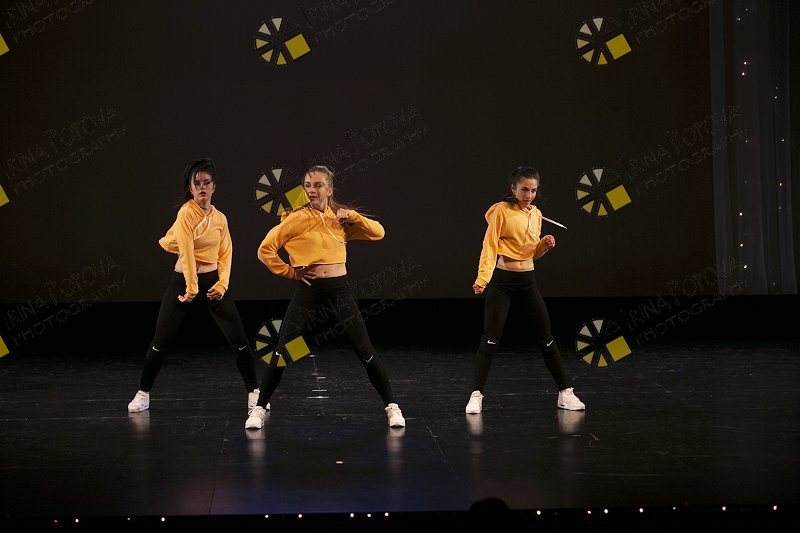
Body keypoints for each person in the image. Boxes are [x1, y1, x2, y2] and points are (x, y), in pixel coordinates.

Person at [245, 165, 405, 430]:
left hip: (339, 291)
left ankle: (392, 407)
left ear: (329, 189)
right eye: (308, 186)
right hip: (309, 292)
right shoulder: (296, 219)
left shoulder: (339, 219)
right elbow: (265, 250)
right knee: (283, 351)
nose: (312, 190)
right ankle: (259, 409)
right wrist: (290, 272)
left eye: (318, 185)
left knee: (364, 350)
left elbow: (379, 232)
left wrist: (353, 216)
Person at [127, 158, 262, 415]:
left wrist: (222, 284)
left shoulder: (220, 218)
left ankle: (254, 392)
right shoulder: (186, 213)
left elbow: (226, 254)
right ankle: (143, 393)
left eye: (206, 183)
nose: (202, 187)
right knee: (161, 340)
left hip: (212, 283)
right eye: (197, 183)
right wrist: (191, 288)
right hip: (183, 282)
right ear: (190, 188)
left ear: (214, 187)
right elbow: (186, 253)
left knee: (239, 340)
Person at [465, 165, 585, 414]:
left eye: (533, 190)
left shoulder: (536, 214)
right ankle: (476, 395)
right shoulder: (501, 211)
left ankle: (565, 392)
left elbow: (531, 253)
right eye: (524, 189)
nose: (529, 195)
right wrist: (483, 278)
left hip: (527, 281)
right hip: (502, 282)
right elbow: (489, 245)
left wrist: (544, 245)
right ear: (513, 188)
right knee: (490, 339)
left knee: (546, 338)